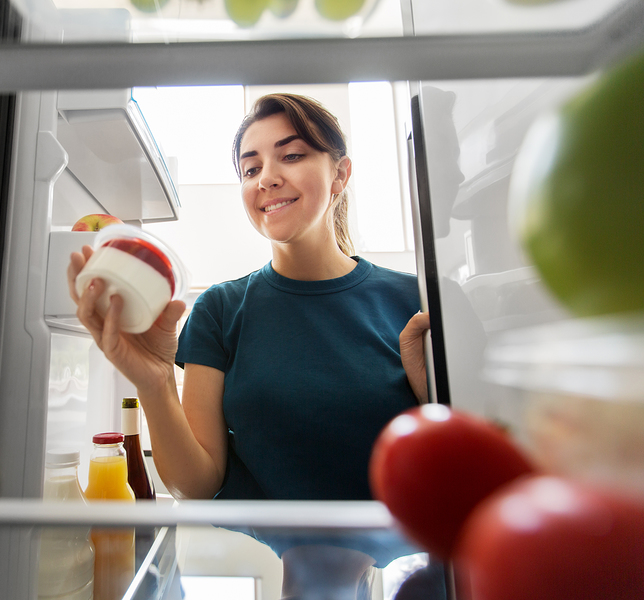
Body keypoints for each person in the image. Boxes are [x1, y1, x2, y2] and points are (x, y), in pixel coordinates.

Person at [68, 92, 432, 583]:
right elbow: (196, 482)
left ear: (340, 174)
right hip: (263, 568)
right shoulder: (221, 309)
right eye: (250, 167)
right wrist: (154, 382)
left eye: (292, 155)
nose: (267, 178)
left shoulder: (414, 302)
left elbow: (460, 465)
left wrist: (434, 397)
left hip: (409, 573)